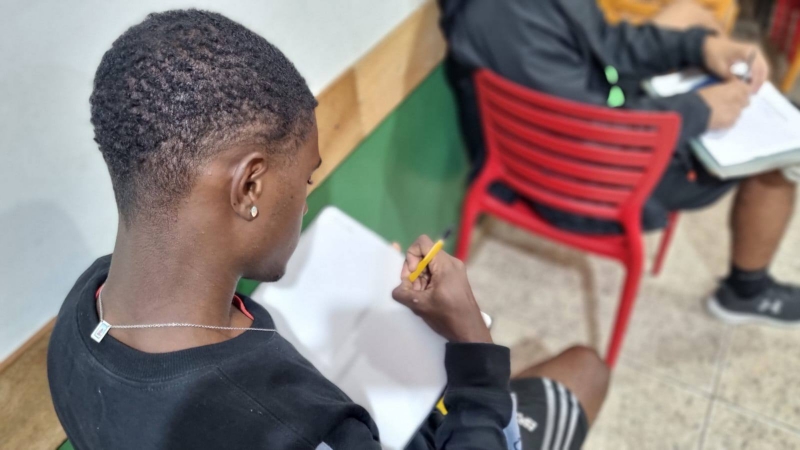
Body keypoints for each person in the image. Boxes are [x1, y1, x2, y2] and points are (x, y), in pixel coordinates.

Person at [47, 10, 609, 449]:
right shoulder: (300, 430)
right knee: (586, 368)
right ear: (249, 187)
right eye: (307, 178)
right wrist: (472, 351)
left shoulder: (81, 317)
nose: (306, 201)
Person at [439, 0, 800, 325]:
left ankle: (747, 287)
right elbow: (585, 131)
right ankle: (747, 291)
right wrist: (697, 110)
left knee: (697, 24)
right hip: (574, 183)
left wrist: (701, 47)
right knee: (780, 153)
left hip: (592, 128)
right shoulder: (498, 17)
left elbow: (607, 44)